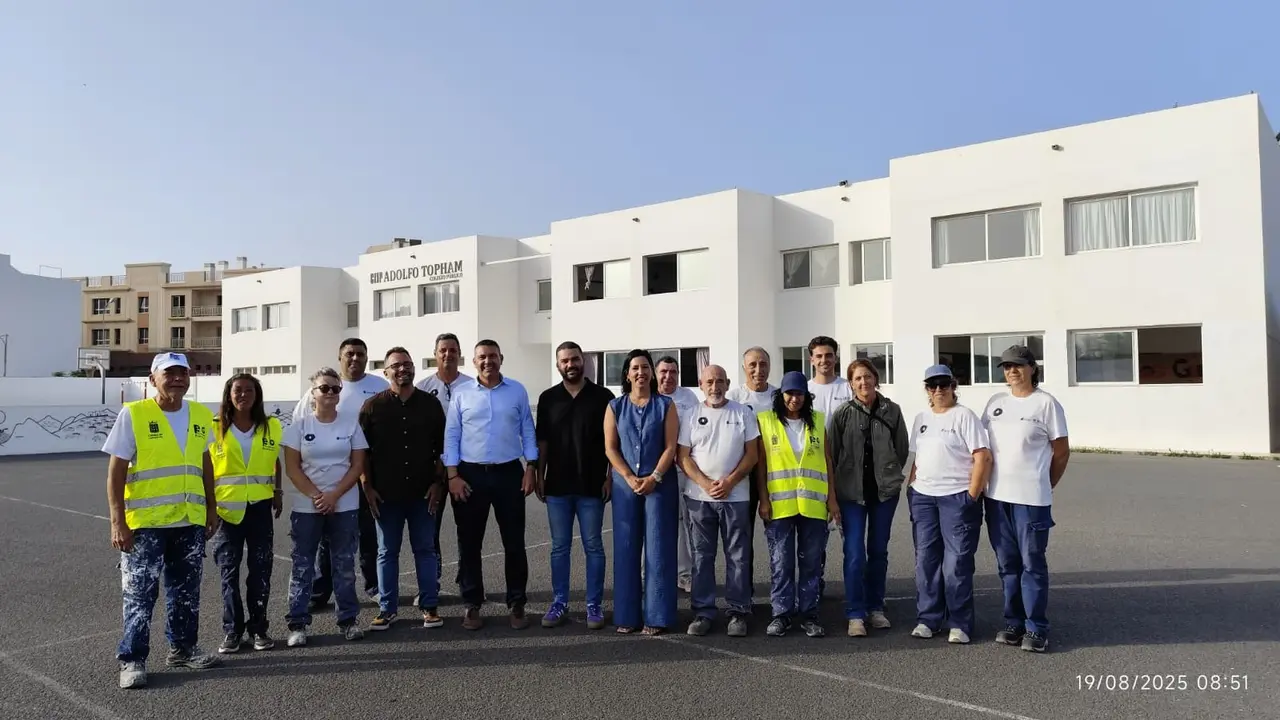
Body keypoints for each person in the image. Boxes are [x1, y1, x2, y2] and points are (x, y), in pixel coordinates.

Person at [103, 352, 221, 690]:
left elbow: (205, 463)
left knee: (185, 592)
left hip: (189, 520)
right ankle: (132, 659)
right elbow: (116, 471)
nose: (178, 379)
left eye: (183, 373)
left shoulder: (200, 414)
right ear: (153, 379)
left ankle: (183, 649)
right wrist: (117, 521)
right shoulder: (134, 414)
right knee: (139, 595)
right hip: (145, 524)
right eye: (169, 373)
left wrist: (211, 507)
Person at [444, 339, 538, 630]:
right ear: (473, 362)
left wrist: (531, 467)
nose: (488, 361)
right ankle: (472, 603)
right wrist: (452, 476)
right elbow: (452, 436)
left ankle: (517, 602)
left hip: (509, 472)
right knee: (469, 542)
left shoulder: (517, 391)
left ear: (501, 358)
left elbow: (527, 429)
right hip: (469, 475)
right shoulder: (461, 394)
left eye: (493, 356)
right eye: (482, 357)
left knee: (514, 542)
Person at [981, 345, 1070, 653]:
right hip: (995, 497)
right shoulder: (995, 403)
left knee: (1032, 563)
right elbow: (981, 447)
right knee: (1007, 563)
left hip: (1031, 498)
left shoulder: (1046, 404)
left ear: (1033, 368)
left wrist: (1046, 483)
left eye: (1018, 366)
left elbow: (1061, 451)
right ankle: (1013, 621)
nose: (1012, 371)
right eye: (1006, 367)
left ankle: (1036, 627)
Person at [292, 338, 386, 608]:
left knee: (367, 534)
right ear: (340, 357)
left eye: (360, 354)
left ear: (367, 358)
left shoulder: (378, 387)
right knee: (326, 540)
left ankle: (374, 586)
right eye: (349, 354)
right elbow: (298, 432)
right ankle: (321, 592)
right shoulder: (317, 391)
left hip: (368, 474)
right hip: (327, 481)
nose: (355, 359)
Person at [360, 347, 448, 631]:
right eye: (396, 365)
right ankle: (387, 609)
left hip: (424, 494)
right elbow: (361, 452)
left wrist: (438, 483)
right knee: (387, 552)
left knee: (425, 549)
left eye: (407, 364)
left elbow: (443, 449)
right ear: (385, 372)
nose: (402, 369)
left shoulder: (431, 405)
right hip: (386, 495)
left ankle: (429, 606)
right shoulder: (372, 407)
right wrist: (367, 487)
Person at [282, 368, 370, 646]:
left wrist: (334, 496)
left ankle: (348, 620)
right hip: (307, 506)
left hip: (344, 503)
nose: (330, 393)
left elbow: (357, 465)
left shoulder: (350, 424)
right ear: (313, 392)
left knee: (344, 564)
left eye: (335, 388)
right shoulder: (298, 426)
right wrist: (318, 496)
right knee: (303, 564)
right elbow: (293, 469)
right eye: (325, 388)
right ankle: (297, 623)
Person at [906, 365, 990, 644]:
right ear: (926, 389)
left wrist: (972, 495)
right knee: (926, 561)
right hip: (924, 498)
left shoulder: (964, 416)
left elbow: (982, 456)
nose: (938, 390)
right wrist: (911, 487)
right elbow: (918, 459)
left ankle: (960, 623)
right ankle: (928, 618)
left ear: (954, 385)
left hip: (957, 498)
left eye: (944, 384)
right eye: (932, 385)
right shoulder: (921, 418)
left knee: (956, 563)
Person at [534, 341, 615, 629]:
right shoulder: (548, 398)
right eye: (565, 361)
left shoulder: (603, 396)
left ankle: (594, 604)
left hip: (592, 485)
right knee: (559, 548)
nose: (571, 364)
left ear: (583, 362)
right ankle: (559, 602)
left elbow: (611, 444)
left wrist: (609, 476)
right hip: (557, 486)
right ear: (558, 365)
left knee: (594, 546)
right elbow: (541, 441)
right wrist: (538, 474)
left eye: (575, 359)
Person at [827, 358, 910, 637]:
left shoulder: (892, 411)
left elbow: (901, 449)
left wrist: (888, 475)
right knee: (853, 553)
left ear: (876, 379)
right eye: (857, 379)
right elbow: (833, 457)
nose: (864, 383)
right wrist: (834, 496)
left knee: (878, 551)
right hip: (851, 495)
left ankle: (875, 607)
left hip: (884, 494)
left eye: (868, 377)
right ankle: (855, 613)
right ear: (851, 384)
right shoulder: (842, 414)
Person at [678, 364, 759, 637]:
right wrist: (705, 483)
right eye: (710, 382)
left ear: (728, 383)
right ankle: (703, 612)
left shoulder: (742, 413)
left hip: (736, 497)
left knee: (737, 556)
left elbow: (752, 455)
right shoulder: (691, 414)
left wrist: (729, 482)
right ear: (701, 385)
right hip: (699, 499)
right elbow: (684, 457)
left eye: (720, 381)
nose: (715, 387)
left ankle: (738, 611)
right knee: (702, 556)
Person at [605, 349, 681, 635]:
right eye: (635, 367)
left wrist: (655, 476)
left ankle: (658, 616)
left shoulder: (666, 405)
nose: (641, 372)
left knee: (659, 549)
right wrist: (627, 475)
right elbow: (610, 447)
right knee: (625, 548)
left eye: (645, 367)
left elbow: (671, 446)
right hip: (626, 487)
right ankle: (626, 615)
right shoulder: (615, 407)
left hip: (660, 485)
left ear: (651, 373)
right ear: (627, 373)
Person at [756, 371, 836, 639]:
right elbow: (762, 465)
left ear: (806, 396)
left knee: (812, 563)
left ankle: (809, 615)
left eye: (799, 393)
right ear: (781, 395)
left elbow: (827, 463)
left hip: (813, 505)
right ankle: (781, 614)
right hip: (780, 505)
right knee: (781, 562)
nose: (794, 398)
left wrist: (832, 500)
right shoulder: (766, 422)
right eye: (789, 393)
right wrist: (764, 499)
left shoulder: (817, 422)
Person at [210, 373, 284, 654]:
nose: (243, 395)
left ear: (257, 395)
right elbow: (206, 466)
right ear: (229, 394)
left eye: (249, 390)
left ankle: (259, 629)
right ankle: (232, 631)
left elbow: (275, 458)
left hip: (260, 509)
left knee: (260, 572)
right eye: (237, 390)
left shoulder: (271, 426)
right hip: (226, 512)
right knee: (229, 574)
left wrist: (277, 490)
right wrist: (209, 507)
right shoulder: (214, 427)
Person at [414, 332, 475, 585]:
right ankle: (431, 582)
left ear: (459, 355)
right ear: (435, 354)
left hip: (465, 468)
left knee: (468, 529)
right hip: (433, 471)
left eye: (452, 350)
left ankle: (467, 582)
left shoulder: (473, 386)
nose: (448, 354)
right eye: (443, 350)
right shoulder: (423, 388)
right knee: (430, 530)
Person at [724, 346, 776, 592]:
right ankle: (744, 593)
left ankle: (781, 595)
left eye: (763, 364)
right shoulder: (733, 397)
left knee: (778, 537)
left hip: (775, 476)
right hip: (742, 475)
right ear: (744, 368)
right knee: (742, 538)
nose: (758, 370)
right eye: (753, 365)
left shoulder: (780, 397)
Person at [656, 355, 700, 593]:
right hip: (654, 470)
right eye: (664, 371)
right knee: (654, 521)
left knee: (684, 521)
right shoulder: (650, 396)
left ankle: (684, 574)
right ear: (656, 373)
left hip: (682, 469)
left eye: (673, 372)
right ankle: (649, 574)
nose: (668, 376)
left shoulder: (689, 398)